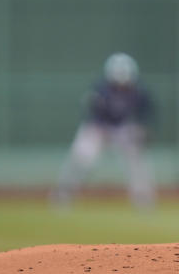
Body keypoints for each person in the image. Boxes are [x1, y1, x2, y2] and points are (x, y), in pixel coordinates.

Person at [50, 52, 157, 210]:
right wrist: (99, 129)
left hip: (122, 128)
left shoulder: (138, 91)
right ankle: (63, 194)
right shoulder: (100, 89)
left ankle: (143, 199)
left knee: (136, 161)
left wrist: (142, 128)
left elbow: (147, 112)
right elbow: (90, 112)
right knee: (81, 158)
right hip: (98, 127)